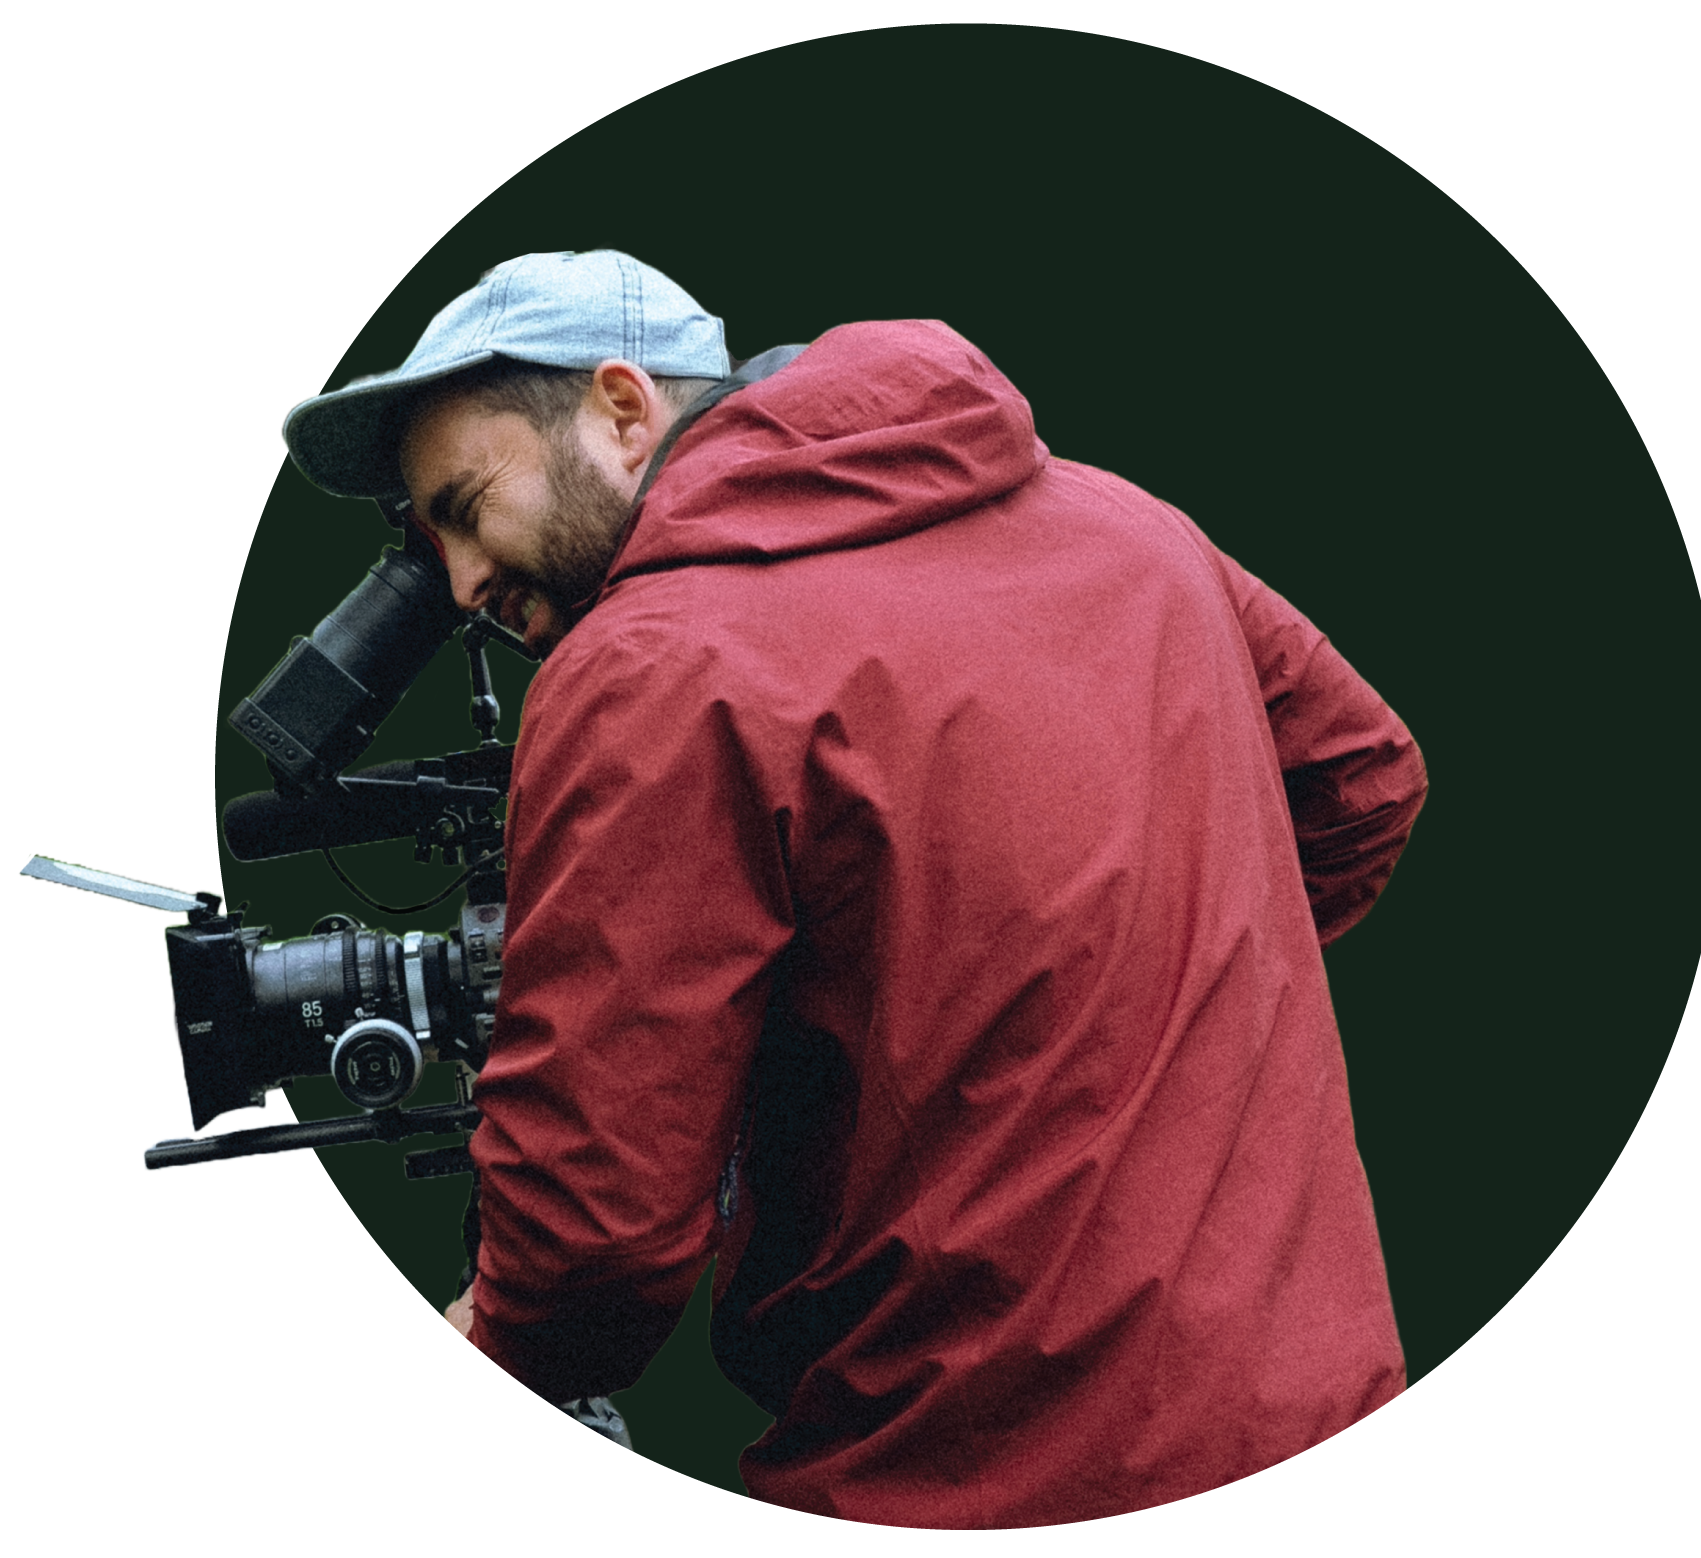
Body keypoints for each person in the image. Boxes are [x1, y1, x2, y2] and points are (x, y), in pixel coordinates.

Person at [281, 249, 1425, 1535]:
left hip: (983, 1485)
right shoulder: (1129, 525)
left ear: (620, 408)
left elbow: (594, 1231)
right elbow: (1364, 781)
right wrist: (1139, 1020)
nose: (460, 583)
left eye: (464, 505)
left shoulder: (656, 666)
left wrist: (491, 1351)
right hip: (1315, 1449)